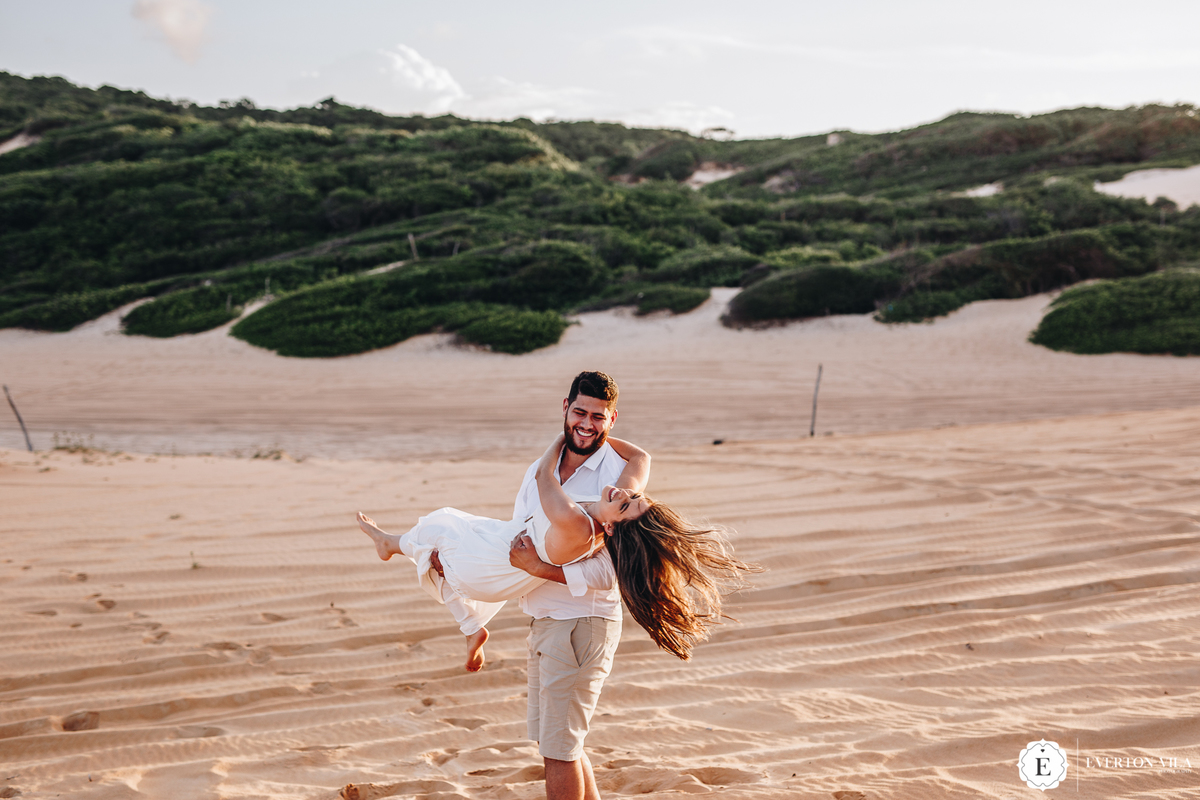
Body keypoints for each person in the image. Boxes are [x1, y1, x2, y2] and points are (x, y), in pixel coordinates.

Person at [357, 371, 757, 800]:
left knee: (559, 751)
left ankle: (401, 549)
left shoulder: (611, 487)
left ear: (612, 419)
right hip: (550, 621)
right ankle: (405, 549)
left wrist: (558, 444)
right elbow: (519, 526)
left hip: (577, 625)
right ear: (565, 407)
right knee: (566, 744)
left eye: (598, 417)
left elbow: (580, 518)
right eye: (580, 412)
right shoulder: (575, 479)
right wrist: (458, 561)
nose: (588, 424)